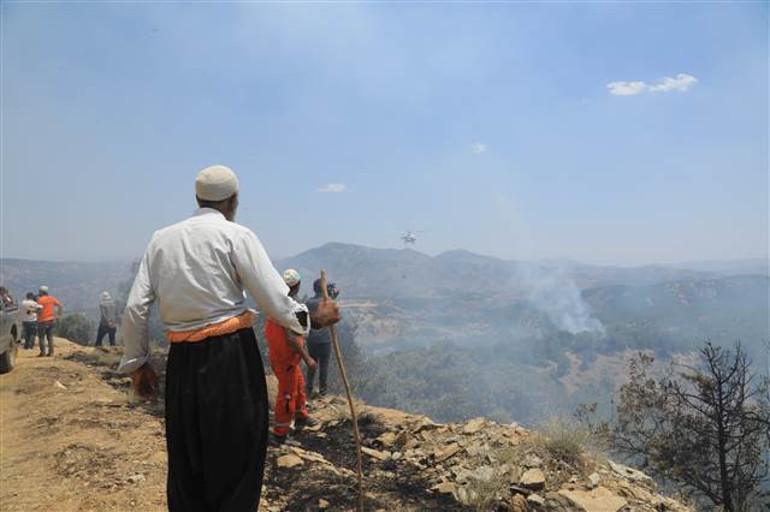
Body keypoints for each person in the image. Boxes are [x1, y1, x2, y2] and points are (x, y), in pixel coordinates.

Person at [119, 165, 340, 512]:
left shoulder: (160, 239)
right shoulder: (237, 236)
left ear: (197, 198)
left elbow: (134, 309)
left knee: (188, 465)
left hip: (182, 364)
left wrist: (138, 364)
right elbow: (276, 300)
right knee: (236, 464)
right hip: (230, 361)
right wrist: (311, 318)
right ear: (234, 200)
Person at [265, 269, 318, 444]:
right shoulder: (292, 310)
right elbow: (293, 339)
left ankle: (301, 416)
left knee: (299, 387)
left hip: (284, 359)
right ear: (297, 286)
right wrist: (308, 358)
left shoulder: (274, 307)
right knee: (287, 395)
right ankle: (280, 433)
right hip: (286, 360)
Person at [305, 278, 337, 397]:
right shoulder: (327, 302)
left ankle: (308, 388)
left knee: (311, 364)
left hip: (311, 339)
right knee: (324, 365)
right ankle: (323, 391)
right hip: (324, 340)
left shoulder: (308, 302)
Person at [37, 286, 62, 357]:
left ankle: (43, 353)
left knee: (41, 337)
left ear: (42, 292)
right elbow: (60, 305)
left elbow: (39, 311)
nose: (38, 293)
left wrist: (35, 311)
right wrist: (59, 315)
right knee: (50, 337)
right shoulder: (51, 298)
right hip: (51, 320)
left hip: (42, 321)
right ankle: (51, 352)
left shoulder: (40, 300)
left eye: (39, 291)